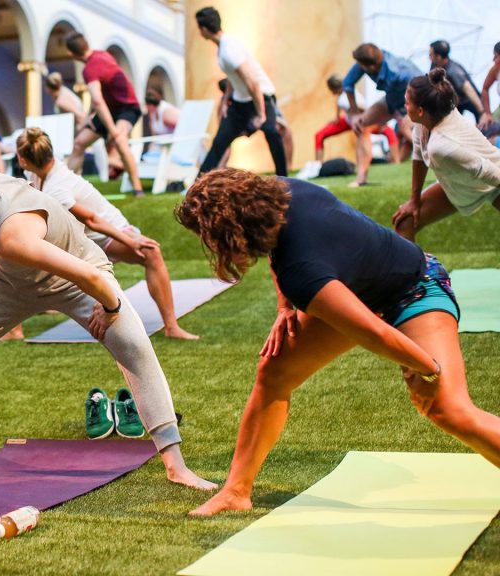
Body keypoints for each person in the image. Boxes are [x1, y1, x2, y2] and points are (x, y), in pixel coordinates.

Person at [175, 168, 500, 516]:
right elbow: (273, 247)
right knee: (275, 372)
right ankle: (236, 492)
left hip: (417, 287)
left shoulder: (301, 270)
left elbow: (374, 334)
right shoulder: (286, 195)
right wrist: (285, 307)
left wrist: (429, 369)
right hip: (356, 292)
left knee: (448, 409)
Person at [0, 169, 215, 491]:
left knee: (134, 349)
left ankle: (176, 466)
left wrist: (112, 309)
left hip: (81, 282)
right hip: (12, 284)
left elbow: (88, 276)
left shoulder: (12, 237)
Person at [16, 128, 198, 340]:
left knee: (151, 253)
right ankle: (20, 325)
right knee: (28, 264)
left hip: (110, 232)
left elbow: (93, 220)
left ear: (23, 159)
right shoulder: (37, 173)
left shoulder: (56, 188)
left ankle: (172, 327)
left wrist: (131, 241)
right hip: (87, 239)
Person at [393, 69, 500, 241]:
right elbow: (419, 157)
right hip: (460, 184)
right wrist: (414, 200)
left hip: (494, 181)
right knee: (405, 222)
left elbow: (486, 169)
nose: (405, 106)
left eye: (407, 103)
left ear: (420, 110)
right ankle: (414, 268)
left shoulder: (441, 144)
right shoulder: (426, 121)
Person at [195, 7, 287, 177]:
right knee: (220, 142)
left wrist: (260, 114)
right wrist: (225, 101)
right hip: (239, 102)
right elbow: (232, 76)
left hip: (261, 98)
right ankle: (197, 187)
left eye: (199, 28)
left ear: (204, 29)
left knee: (271, 131)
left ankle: (285, 180)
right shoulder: (223, 47)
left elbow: (252, 82)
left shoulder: (229, 50)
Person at [63, 32, 147, 196]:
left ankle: (138, 189)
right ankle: (66, 188)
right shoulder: (101, 54)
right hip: (109, 110)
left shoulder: (89, 69)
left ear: (71, 54)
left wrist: (113, 131)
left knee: (121, 142)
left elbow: (98, 100)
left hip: (127, 108)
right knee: (79, 143)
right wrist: (89, 118)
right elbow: (100, 102)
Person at [343, 43, 421, 187]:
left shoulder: (401, 71)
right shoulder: (366, 62)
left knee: (407, 128)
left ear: (371, 67)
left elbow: (424, 87)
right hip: (392, 99)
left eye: (360, 65)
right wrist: (354, 114)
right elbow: (347, 84)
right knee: (361, 125)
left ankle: (424, 151)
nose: (358, 67)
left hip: (415, 101)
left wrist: (412, 112)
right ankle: (361, 178)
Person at [314, 74, 398, 164]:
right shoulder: (342, 95)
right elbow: (339, 105)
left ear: (333, 89)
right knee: (319, 135)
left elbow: (364, 109)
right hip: (348, 120)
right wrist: (337, 117)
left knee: (388, 131)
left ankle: (395, 160)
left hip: (361, 122)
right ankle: (318, 165)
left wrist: (378, 121)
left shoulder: (345, 99)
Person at [428, 40, 490, 126]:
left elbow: (468, 89)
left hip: (469, 99)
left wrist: (482, 112)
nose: (429, 57)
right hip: (455, 103)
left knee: (484, 123)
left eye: (430, 54)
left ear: (438, 57)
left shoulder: (454, 71)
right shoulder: (435, 66)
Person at [476, 41, 500, 138]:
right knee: (482, 131)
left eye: (496, 56)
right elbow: (485, 89)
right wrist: (488, 113)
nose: (493, 59)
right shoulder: (496, 69)